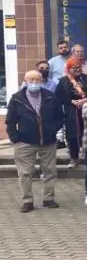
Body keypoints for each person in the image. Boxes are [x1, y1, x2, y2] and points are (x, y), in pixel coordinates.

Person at [7, 70, 64, 213]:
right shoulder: (16, 98)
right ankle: (27, 201)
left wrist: (52, 129)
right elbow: (11, 121)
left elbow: (59, 117)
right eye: (31, 79)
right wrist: (15, 138)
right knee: (25, 173)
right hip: (25, 142)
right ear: (25, 81)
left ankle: (48, 199)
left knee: (50, 171)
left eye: (37, 79)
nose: (34, 82)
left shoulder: (50, 96)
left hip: (48, 141)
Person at [55, 58, 87, 168]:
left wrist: (84, 100)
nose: (77, 69)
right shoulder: (63, 81)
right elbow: (58, 97)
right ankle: (74, 158)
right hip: (71, 110)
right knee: (72, 134)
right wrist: (71, 101)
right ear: (68, 68)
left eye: (79, 67)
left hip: (86, 108)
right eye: (74, 67)